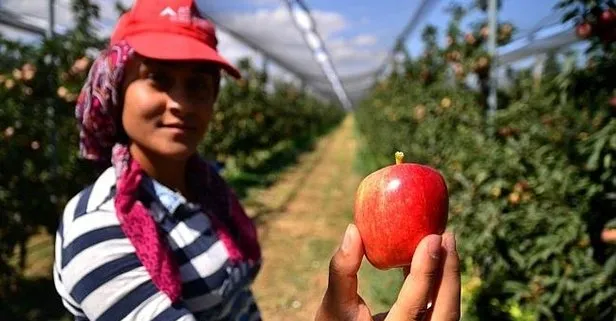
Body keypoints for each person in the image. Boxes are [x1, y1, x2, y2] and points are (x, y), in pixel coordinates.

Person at [52, 0, 461, 320]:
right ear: (115, 88)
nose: (180, 103)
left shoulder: (207, 188)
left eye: (198, 85)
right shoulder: (100, 228)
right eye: (157, 79)